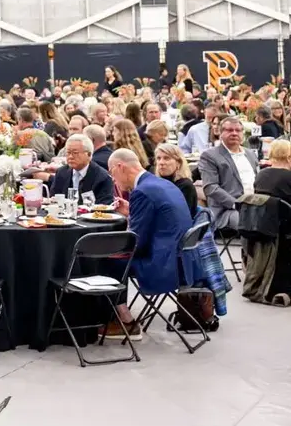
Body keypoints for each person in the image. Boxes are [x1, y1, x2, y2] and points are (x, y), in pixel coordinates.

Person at [104, 149, 195, 341]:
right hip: (182, 258)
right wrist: (131, 212)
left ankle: (125, 322)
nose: (113, 179)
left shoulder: (142, 191)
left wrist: (107, 247)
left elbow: (136, 242)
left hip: (162, 263)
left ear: (120, 167)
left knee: (105, 261)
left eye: (112, 173)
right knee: (112, 257)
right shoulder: (161, 184)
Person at [199, 115, 259, 231]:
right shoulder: (210, 156)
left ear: (243, 134)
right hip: (228, 210)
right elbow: (210, 187)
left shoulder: (250, 154)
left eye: (238, 130)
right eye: (229, 130)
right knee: (251, 224)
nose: (234, 133)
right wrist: (236, 204)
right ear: (221, 133)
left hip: (255, 204)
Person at [42, 134, 116, 205]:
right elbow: (54, 199)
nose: (70, 157)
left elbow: (104, 206)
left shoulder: (102, 177)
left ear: (89, 154)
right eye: (68, 153)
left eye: (75, 153)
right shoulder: (61, 172)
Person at [153, 143, 198, 218]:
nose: (161, 162)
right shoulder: (155, 184)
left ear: (178, 163)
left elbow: (180, 217)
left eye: (166, 158)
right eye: (158, 158)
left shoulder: (185, 186)